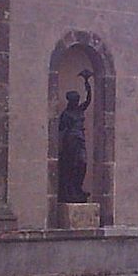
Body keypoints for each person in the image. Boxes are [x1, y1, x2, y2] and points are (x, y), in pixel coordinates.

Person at [56, 69, 93, 202]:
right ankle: (70, 189)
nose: (77, 102)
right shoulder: (66, 114)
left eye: (77, 100)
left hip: (80, 139)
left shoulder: (79, 110)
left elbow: (88, 100)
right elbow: (61, 129)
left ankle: (78, 187)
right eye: (75, 100)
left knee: (82, 163)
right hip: (71, 140)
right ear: (70, 101)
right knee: (72, 165)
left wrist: (87, 84)